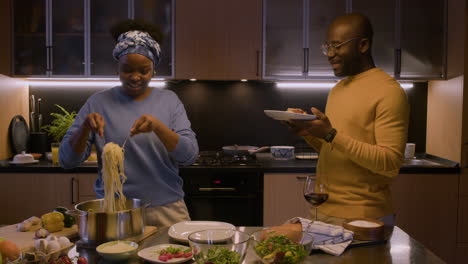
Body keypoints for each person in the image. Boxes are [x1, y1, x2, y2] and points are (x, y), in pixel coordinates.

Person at [59, 19, 199, 228]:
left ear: (153, 70)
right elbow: (66, 161)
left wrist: (158, 127)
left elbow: (189, 155)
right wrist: (85, 128)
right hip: (114, 209)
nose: (135, 77)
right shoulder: (98, 102)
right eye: (127, 70)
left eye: (144, 71)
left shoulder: (169, 101)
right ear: (117, 68)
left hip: (166, 209)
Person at [284, 13, 409, 229]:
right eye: (327, 47)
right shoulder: (338, 90)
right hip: (323, 211)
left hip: (363, 217)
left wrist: (331, 134)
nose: (330, 54)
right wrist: (309, 133)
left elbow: (390, 164)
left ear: (363, 45)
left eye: (337, 46)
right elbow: (335, 149)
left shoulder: (389, 91)